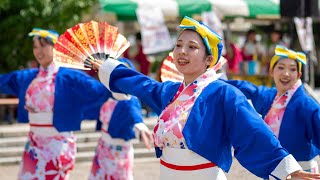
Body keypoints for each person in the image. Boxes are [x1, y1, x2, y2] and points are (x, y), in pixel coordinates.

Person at [91, 17, 320, 179]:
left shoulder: (223, 93)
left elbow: (253, 131)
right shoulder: (170, 91)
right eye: (179, 45)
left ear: (209, 59)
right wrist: (109, 69)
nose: (182, 52)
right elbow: (141, 84)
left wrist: (286, 168)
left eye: (192, 47)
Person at [0, 28, 113, 179]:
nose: (38, 51)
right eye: (35, 47)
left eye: (43, 46)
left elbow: (101, 91)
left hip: (58, 144)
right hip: (34, 143)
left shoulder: (70, 77)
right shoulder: (28, 77)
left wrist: (112, 76)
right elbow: (4, 81)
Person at [227, 45, 320, 173]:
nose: (286, 74)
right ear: (271, 71)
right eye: (280, 67)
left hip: (302, 169)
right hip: (275, 169)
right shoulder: (270, 96)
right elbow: (247, 88)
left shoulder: (307, 105)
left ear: (298, 75)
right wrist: (216, 82)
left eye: (292, 69)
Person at [88, 58, 152, 180]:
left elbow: (135, 113)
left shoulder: (130, 100)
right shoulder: (106, 95)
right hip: (103, 146)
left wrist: (141, 126)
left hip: (120, 151)